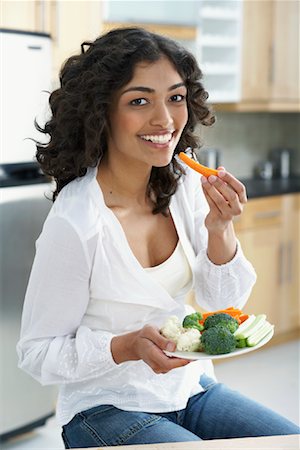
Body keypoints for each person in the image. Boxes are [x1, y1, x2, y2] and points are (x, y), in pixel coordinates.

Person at [17, 27, 299, 448]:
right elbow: (37, 354)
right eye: (139, 101)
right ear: (102, 112)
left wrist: (219, 229)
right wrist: (123, 347)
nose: (165, 120)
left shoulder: (184, 186)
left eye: (176, 97)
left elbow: (223, 305)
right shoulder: (77, 221)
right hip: (105, 408)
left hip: (191, 390)